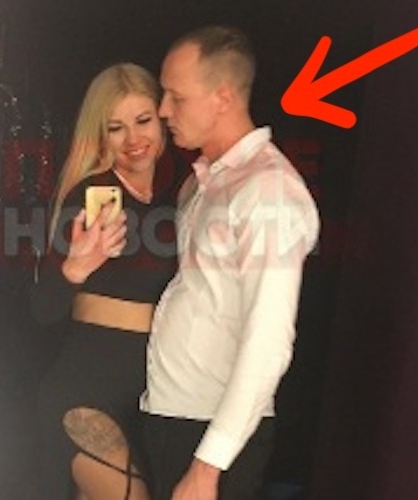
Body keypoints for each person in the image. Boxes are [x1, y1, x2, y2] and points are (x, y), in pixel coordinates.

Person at [139, 25, 321, 500]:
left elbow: (269, 340)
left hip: (209, 430)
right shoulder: (203, 182)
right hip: (175, 413)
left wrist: (207, 467)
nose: (163, 110)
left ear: (222, 97)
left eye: (176, 97)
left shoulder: (268, 192)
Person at [31, 62, 188, 500]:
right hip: (85, 397)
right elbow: (41, 310)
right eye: (116, 128)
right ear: (100, 135)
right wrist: (74, 269)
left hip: (150, 402)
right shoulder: (90, 197)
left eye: (143, 121)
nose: (134, 139)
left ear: (162, 118)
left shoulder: (180, 197)